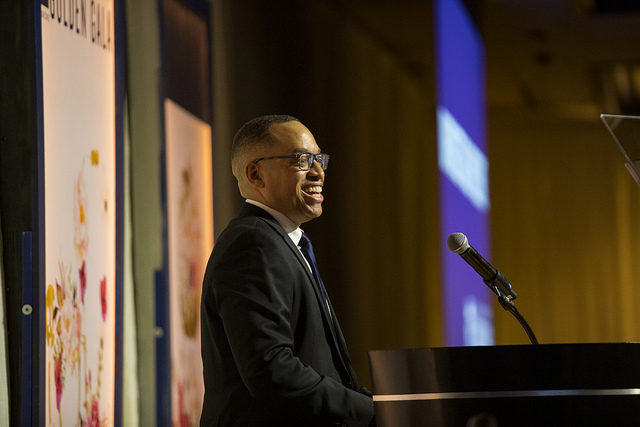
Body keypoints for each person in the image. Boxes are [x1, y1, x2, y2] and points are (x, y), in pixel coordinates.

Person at [200, 115, 375, 426]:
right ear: (255, 174)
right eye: (302, 160)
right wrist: (373, 413)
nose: (318, 172)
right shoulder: (254, 244)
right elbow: (272, 370)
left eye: (319, 158)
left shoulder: (283, 242)